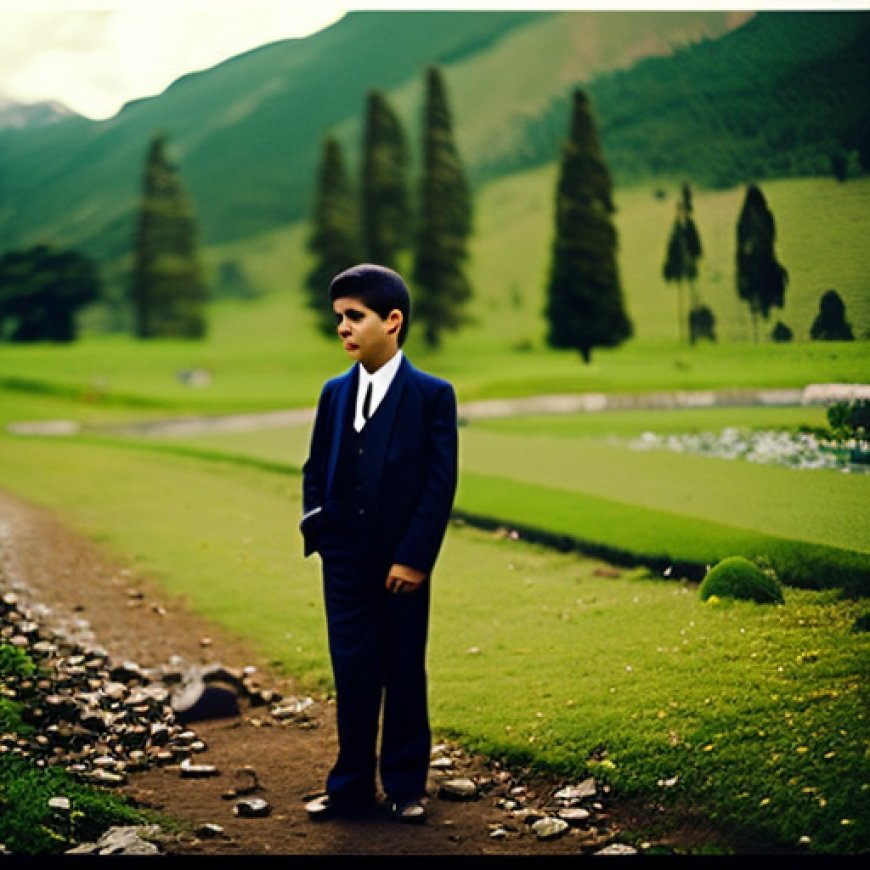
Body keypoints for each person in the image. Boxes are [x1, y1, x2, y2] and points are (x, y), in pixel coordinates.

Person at [299, 263, 458, 824]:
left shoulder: (433, 396)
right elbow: (315, 467)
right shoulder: (333, 393)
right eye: (338, 317)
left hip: (402, 565)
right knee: (353, 671)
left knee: (404, 671)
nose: (342, 327)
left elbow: (440, 486)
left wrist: (414, 558)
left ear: (393, 321)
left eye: (354, 317)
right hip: (343, 561)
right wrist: (318, 528)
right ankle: (348, 789)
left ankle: (406, 786)